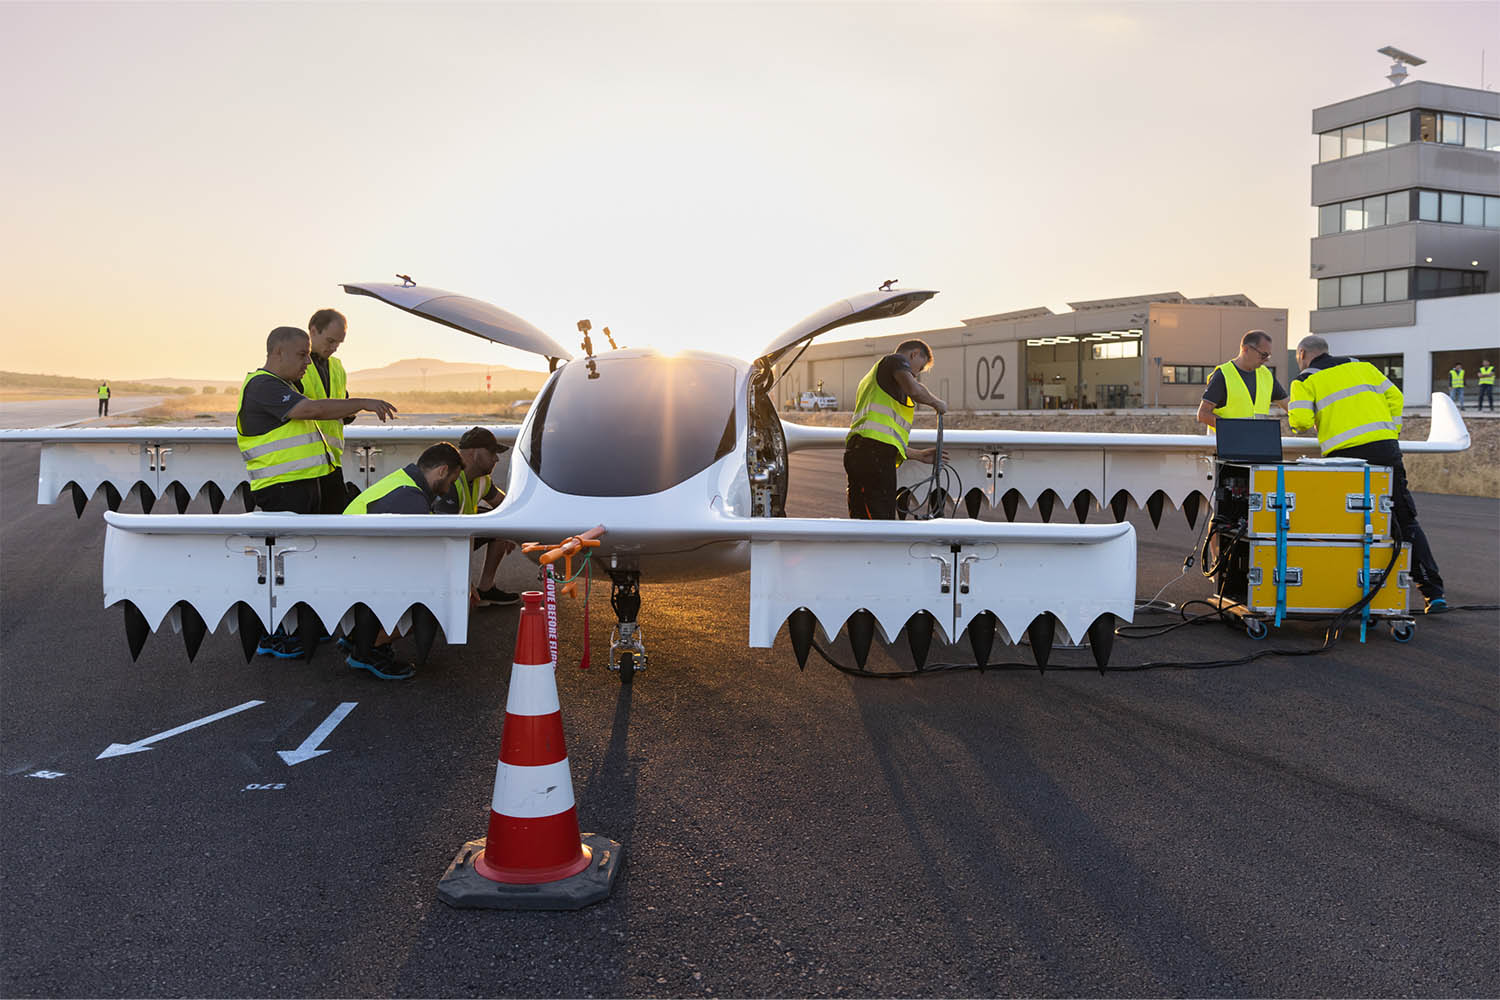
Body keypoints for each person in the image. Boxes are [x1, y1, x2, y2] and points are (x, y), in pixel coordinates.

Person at [239, 326, 399, 657]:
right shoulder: (262, 385)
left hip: (301, 488)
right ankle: (274, 634)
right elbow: (311, 410)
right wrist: (364, 402)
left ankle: (301, 629)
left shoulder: (285, 385)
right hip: (280, 492)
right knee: (286, 568)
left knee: (303, 564)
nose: (307, 364)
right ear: (277, 352)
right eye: (301, 355)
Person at [1288, 335, 1447, 614]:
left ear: (1302, 354)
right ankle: (1433, 594)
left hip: (1344, 457)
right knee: (1402, 518)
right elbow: (1395, 397)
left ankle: (1346, 592)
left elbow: (1299, 422)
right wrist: (1391, 431)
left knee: (1345, 523)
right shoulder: (1364, 367)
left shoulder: (1304, 380)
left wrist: (1313, 420)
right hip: (1385, 450)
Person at [340, 441, 464, 679]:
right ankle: (367, 651)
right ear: (442, 471)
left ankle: (359, 639)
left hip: (353, 558)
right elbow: (418, 556)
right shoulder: (411, 497)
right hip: (359, 566)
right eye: (451, 479)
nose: (449, 488)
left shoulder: (404, 481)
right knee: (435, 593)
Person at [843, 338, 947, 519]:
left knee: (864, 519)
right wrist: (936, 403)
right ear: (914, 354)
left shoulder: (877, 381)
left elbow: (882, 436)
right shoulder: (895, 360)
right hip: (872, 457)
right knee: (880, 520)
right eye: (919, 368)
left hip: (864, 453)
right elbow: (914, 389)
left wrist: (918, 455)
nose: (916, 374)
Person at [431, 426, 518, 606]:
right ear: (474, 452)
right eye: (492, 453)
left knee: (500, 525)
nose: (496, 459)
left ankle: (486, 589)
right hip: (434, 545)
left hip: (462, 534)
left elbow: (505, 506)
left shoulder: (482, 479)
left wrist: (512, 530)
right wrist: (464, 584)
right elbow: (442, 542)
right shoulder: (449, 482)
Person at [301, 308, 359, 513]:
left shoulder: (336, 366)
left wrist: (349, 412)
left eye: (339, 343)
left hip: (332, 462)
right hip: (302, 466)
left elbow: (343, 404)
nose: (334, 348)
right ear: (313, 331)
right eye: (330, 341)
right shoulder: (294, 365)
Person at [1195, 330, 1288, 430]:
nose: (1267, 360)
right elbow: (1203, 414)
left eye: (1269, 356)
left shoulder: (1266, 375)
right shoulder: (1223, 375)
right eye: (1263, 355)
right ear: (1246, 349)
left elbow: (1288, 404)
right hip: (1227, 443)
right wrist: (1234, 430)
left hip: (1256, 442)